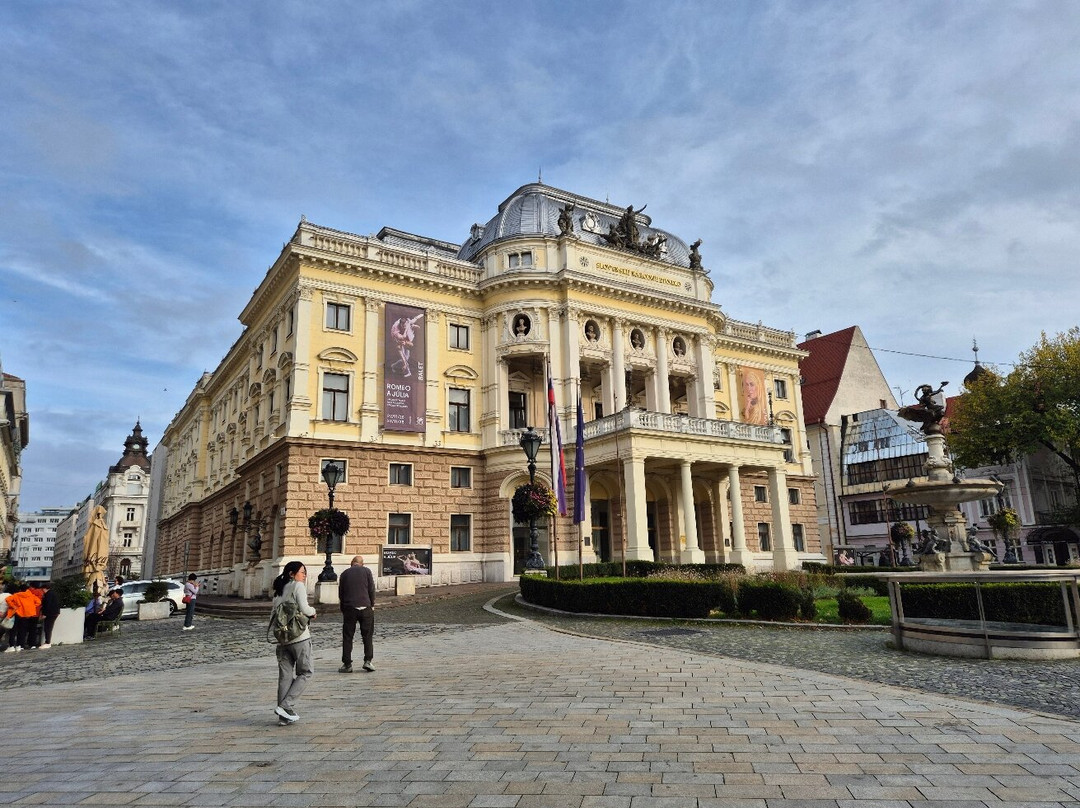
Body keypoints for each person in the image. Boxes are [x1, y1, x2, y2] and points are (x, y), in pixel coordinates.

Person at [272, 561, 317, 725]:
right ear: (292, 574)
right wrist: (313, 612)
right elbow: (305, 608)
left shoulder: (278, 590)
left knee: (285, 677)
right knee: (306, 672)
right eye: (302, 572)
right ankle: (286, 706)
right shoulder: (297, 586)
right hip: (299, 637)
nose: (304, 575)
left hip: (282, 639)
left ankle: (283, 718)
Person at [338, 555, 376, 674]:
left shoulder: (344, 574)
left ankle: (347, 664)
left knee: (348, 636)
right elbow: (371, 589)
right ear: (362, 563)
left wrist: (343, 608)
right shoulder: (367, 571)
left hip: (350, 608)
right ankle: (368, 661)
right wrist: (372, 604)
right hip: (365, 606)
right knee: (367, 635)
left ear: (352, 563)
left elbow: (341, 593)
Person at [39, 581, 60, 649]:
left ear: (45, 588)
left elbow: (47, 604)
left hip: (50, 613)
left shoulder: (48, 594)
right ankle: (47, 642)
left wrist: (44, 614)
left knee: (48, 628)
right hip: (54, 612)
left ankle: (48, 642)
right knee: (48, 627)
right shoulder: (52, 593)